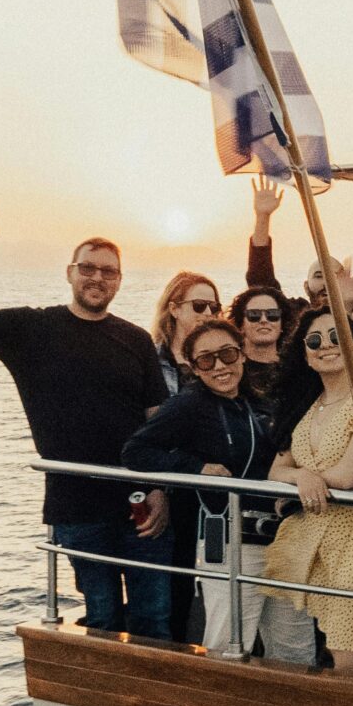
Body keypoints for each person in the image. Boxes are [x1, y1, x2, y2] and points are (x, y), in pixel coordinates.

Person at [0, 198, 173, 636]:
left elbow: (158, 423)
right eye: (88, 268)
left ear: (119, 281)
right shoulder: (31, 330)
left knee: (153, 616)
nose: (97, 277)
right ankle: (107, 703)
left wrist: (161, 488)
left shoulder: (135, 339)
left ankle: (148, 703)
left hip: (139, 504)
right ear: (70, 272)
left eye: (108, 271)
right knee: (101, 616)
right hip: (76, 504)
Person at [125, 317, 280, 656]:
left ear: (241, 354)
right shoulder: (189, 406)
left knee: (291, 644)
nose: (220, 366)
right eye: (206, 360)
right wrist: (196, 468)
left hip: (279, 538)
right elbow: (136, 451)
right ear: (195, 368)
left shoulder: (260, 404)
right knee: (228, 642)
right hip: (227, 541)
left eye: (227, 354)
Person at [262, 315, 353, 667]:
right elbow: (275, 471)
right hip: (313, 541)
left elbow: (347, 475)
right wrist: (302, 477)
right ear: (306, 355)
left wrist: (306, 475)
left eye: (335, 336)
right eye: (314, 341)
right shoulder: (305, 406)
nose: (325, 345)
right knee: (323, 651)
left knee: (349, 660)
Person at [151, 271, 223, 409]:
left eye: (213, 307)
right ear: (174, 309)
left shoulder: (226, 358)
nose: (208, 313)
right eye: (199, 305)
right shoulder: (153, 360)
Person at [229, 283, 292, 417]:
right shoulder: (230, 368)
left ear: (282, 324)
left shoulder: (295, 369)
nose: (264, 320)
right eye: (254, 315)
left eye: (272, 315)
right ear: (241, 325)